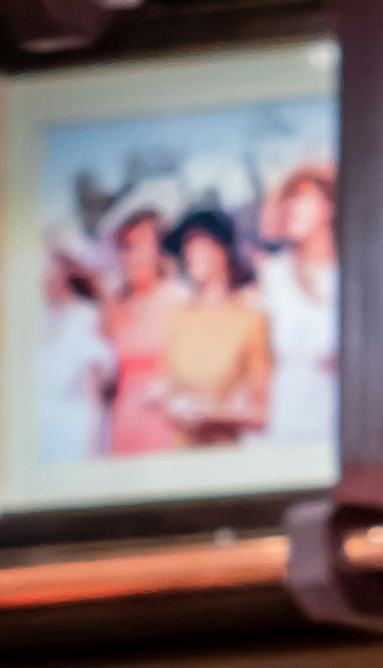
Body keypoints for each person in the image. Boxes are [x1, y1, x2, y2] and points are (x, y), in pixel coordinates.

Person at [160, 203, 271, 442]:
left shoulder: (250, 320)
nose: (190, 253)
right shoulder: (177, 317)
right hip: (178, 455)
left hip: (223, 458)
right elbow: (169, 391)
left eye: (200, 244)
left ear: (223, 251)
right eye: (187, 245)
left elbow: (260, 413)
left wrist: (210, 415)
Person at [87, 202, 185, 455]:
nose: (133, 256)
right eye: (126, 246)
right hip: (122, 422)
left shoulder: (178, 298)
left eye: (141, 244)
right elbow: (101, 371)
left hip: (166, 421)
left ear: (157, 247)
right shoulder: (116, 306)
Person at [258, 162, 339, 454]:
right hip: (288, 427)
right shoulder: (273, 275)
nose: (294, 207)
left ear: (328, 206)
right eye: (289, 198)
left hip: (338, 426)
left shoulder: (352, 276)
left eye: (304, 196)